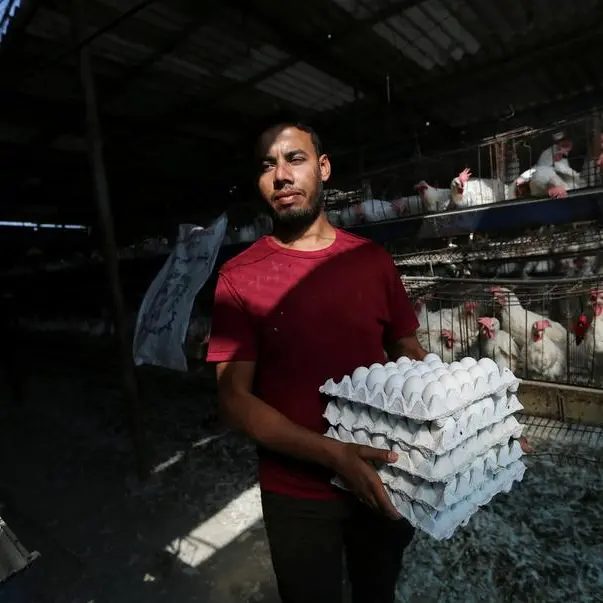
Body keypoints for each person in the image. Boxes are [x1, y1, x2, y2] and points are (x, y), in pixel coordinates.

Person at [206, 116, 427, 603]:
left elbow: (407, 349)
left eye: (295, 158)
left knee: (378, 590)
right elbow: (233, 399)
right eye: (268, 166)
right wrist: (333, 455)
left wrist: (465, 414)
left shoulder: (371, 260)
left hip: (382, 472)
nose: (281, 175)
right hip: (297, 492)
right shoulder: (239, 277)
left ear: (324, 168)